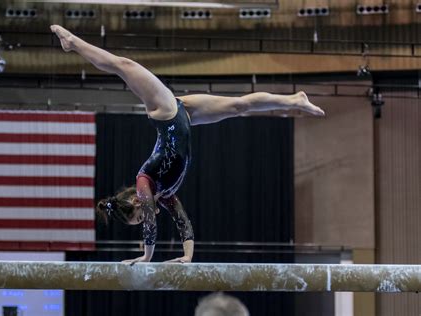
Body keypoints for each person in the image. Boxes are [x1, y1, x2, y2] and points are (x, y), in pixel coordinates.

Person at [50, 25, 325, 265]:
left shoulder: (145, 182)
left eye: (136, 217)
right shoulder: (165, 193)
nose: (144, 218)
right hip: (184, 113)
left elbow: (150, 221)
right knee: (240, 106)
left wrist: (146, 257)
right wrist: (187, 256)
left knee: (125, 66)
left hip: (166, 111)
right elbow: (183, 222)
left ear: (136, 200)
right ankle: (294, 100)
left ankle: (72, 43)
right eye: (139, 221)